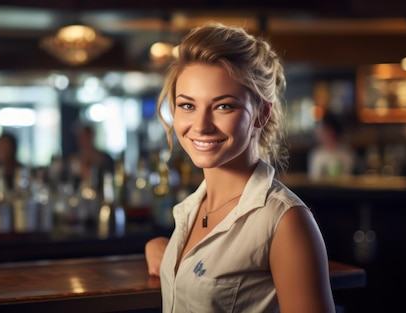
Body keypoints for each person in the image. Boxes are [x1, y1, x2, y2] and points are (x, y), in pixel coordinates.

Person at [144, 22, 336, 313]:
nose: (201, 126)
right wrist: (163, 250)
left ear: (261, 113)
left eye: (223, 106)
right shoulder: (192, 208)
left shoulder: (286, 222)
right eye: (187, 106)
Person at [307, 112, 356, 181]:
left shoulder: (346, 154)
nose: (319, 133)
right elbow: (313, 181)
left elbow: (348, 181)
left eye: (324, 130)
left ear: (332, 131)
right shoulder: (316, 155)